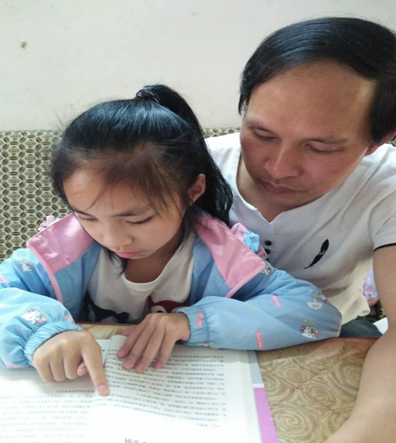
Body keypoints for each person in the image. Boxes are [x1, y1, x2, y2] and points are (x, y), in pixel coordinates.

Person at [0, 85, 341, 395]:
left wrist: (192, 322)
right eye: (87, 216)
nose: (113, 238)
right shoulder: (62, 250)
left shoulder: (224, 257)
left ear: (193, 191)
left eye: (137, 219)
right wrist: (42, 332)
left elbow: (316, 314)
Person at [207, 17, 396, 443]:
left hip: (330, 331)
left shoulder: (393, 187)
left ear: (379, 140)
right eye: (261, 133)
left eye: (319, 147)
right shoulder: (191, 169)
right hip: (200, 326)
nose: (279, 168)